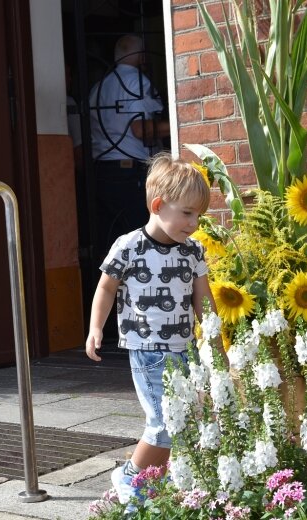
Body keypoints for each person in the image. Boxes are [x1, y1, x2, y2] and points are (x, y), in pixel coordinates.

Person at [85, 154, 215, 510]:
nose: (194, 223)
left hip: (184, 348)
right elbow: (106, 288)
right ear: (158, 205)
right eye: (187, 213)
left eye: (198, 215)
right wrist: (96, 327)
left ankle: (151, 486)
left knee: (185, 419)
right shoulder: (129, 246)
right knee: (163, 421)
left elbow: (203, 298)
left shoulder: (194, 251)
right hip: (148, 350)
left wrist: (214, 336)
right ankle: (131, 476)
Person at [88, 34, 171, 266]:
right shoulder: (137, 81)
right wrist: (178, 122)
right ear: (142, 55)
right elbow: (140, 130)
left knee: (112, 245)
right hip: (131, 171)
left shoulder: (98, 86)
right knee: (142, 242)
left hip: (103, 172)